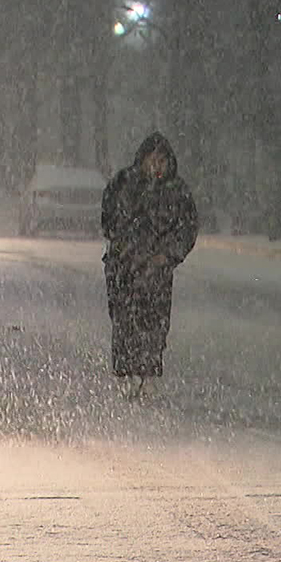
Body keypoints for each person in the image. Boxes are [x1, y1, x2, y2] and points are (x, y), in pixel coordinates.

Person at [100, 132, 199, 400]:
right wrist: (125, 249)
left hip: (157, 272)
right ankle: (126, 373)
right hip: (124, 267)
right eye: (152, 160)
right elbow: (108, 219)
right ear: (142, 160)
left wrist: (166, 256)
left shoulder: (177, 192)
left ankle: (149, 373)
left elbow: (187, 229)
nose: (156, 166)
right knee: (124, 321)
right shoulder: (124, 183)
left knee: (154, 322)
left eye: (162, 161)